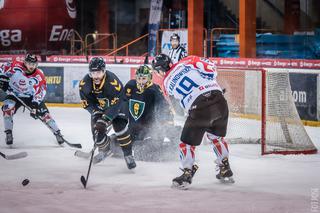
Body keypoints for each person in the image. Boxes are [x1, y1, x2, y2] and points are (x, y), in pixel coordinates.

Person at [152, 54, 234, 189]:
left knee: (186, 144)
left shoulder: (165, 84)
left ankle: (187, 174)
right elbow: (211, 68)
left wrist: (190, 107)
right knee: (217, 138)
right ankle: (224, 167)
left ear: (159, 71)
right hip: (220, 101)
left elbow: (178, 110)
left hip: (199, 107)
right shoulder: (187, 61)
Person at [111, 64, 179, 162]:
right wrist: (113, 115)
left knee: (143, 152)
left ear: (149, 78)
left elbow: (163, 106)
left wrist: (167, 122)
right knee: (116, 145)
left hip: (149, 129)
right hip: (134, 128)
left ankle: (172, 149)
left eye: (144, 78)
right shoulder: (130, 85)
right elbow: (121, 101)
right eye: (139, 78)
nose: (141, 81)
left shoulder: (154, 89)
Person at [79, 57, 136, 169]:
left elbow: (118, 102)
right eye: (93, 73)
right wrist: (96, 113)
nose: (96, 76)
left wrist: (105, 119)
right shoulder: (84, 84)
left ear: (104, 71)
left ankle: (128, 155)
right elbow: (87, 103)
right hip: (100, 107)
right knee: (97, 133)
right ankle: (106, 150)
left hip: (119, 105)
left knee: (120, 128)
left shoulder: (112, 82)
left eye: (98, 72)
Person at [0, 53, 66, 147]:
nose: (31, 66)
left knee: (45, 115)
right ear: (25, 63)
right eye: (29, 63)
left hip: (31, 98)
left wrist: (34, 105)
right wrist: (2, 79)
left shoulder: (39, 75)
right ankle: (8, 133)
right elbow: (1, 70)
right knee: (7, 109)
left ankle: (57, 133)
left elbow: (41, 91)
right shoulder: (14, 66)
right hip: (13, 94)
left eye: (34, 64)